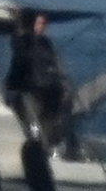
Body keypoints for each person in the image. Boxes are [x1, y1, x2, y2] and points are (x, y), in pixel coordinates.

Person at [5, 11, 73, 154]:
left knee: (49, 121)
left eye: (44, 24)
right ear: (32, 24)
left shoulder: (46, 43)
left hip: (48, 90)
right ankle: (35, 147)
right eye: (39, 23)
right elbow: (20, 59)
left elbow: (54, 64)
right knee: (31, 120)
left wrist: (63, 86)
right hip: (29, 90)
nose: (43, 27)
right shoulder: (23, 41)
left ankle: (48, 147)